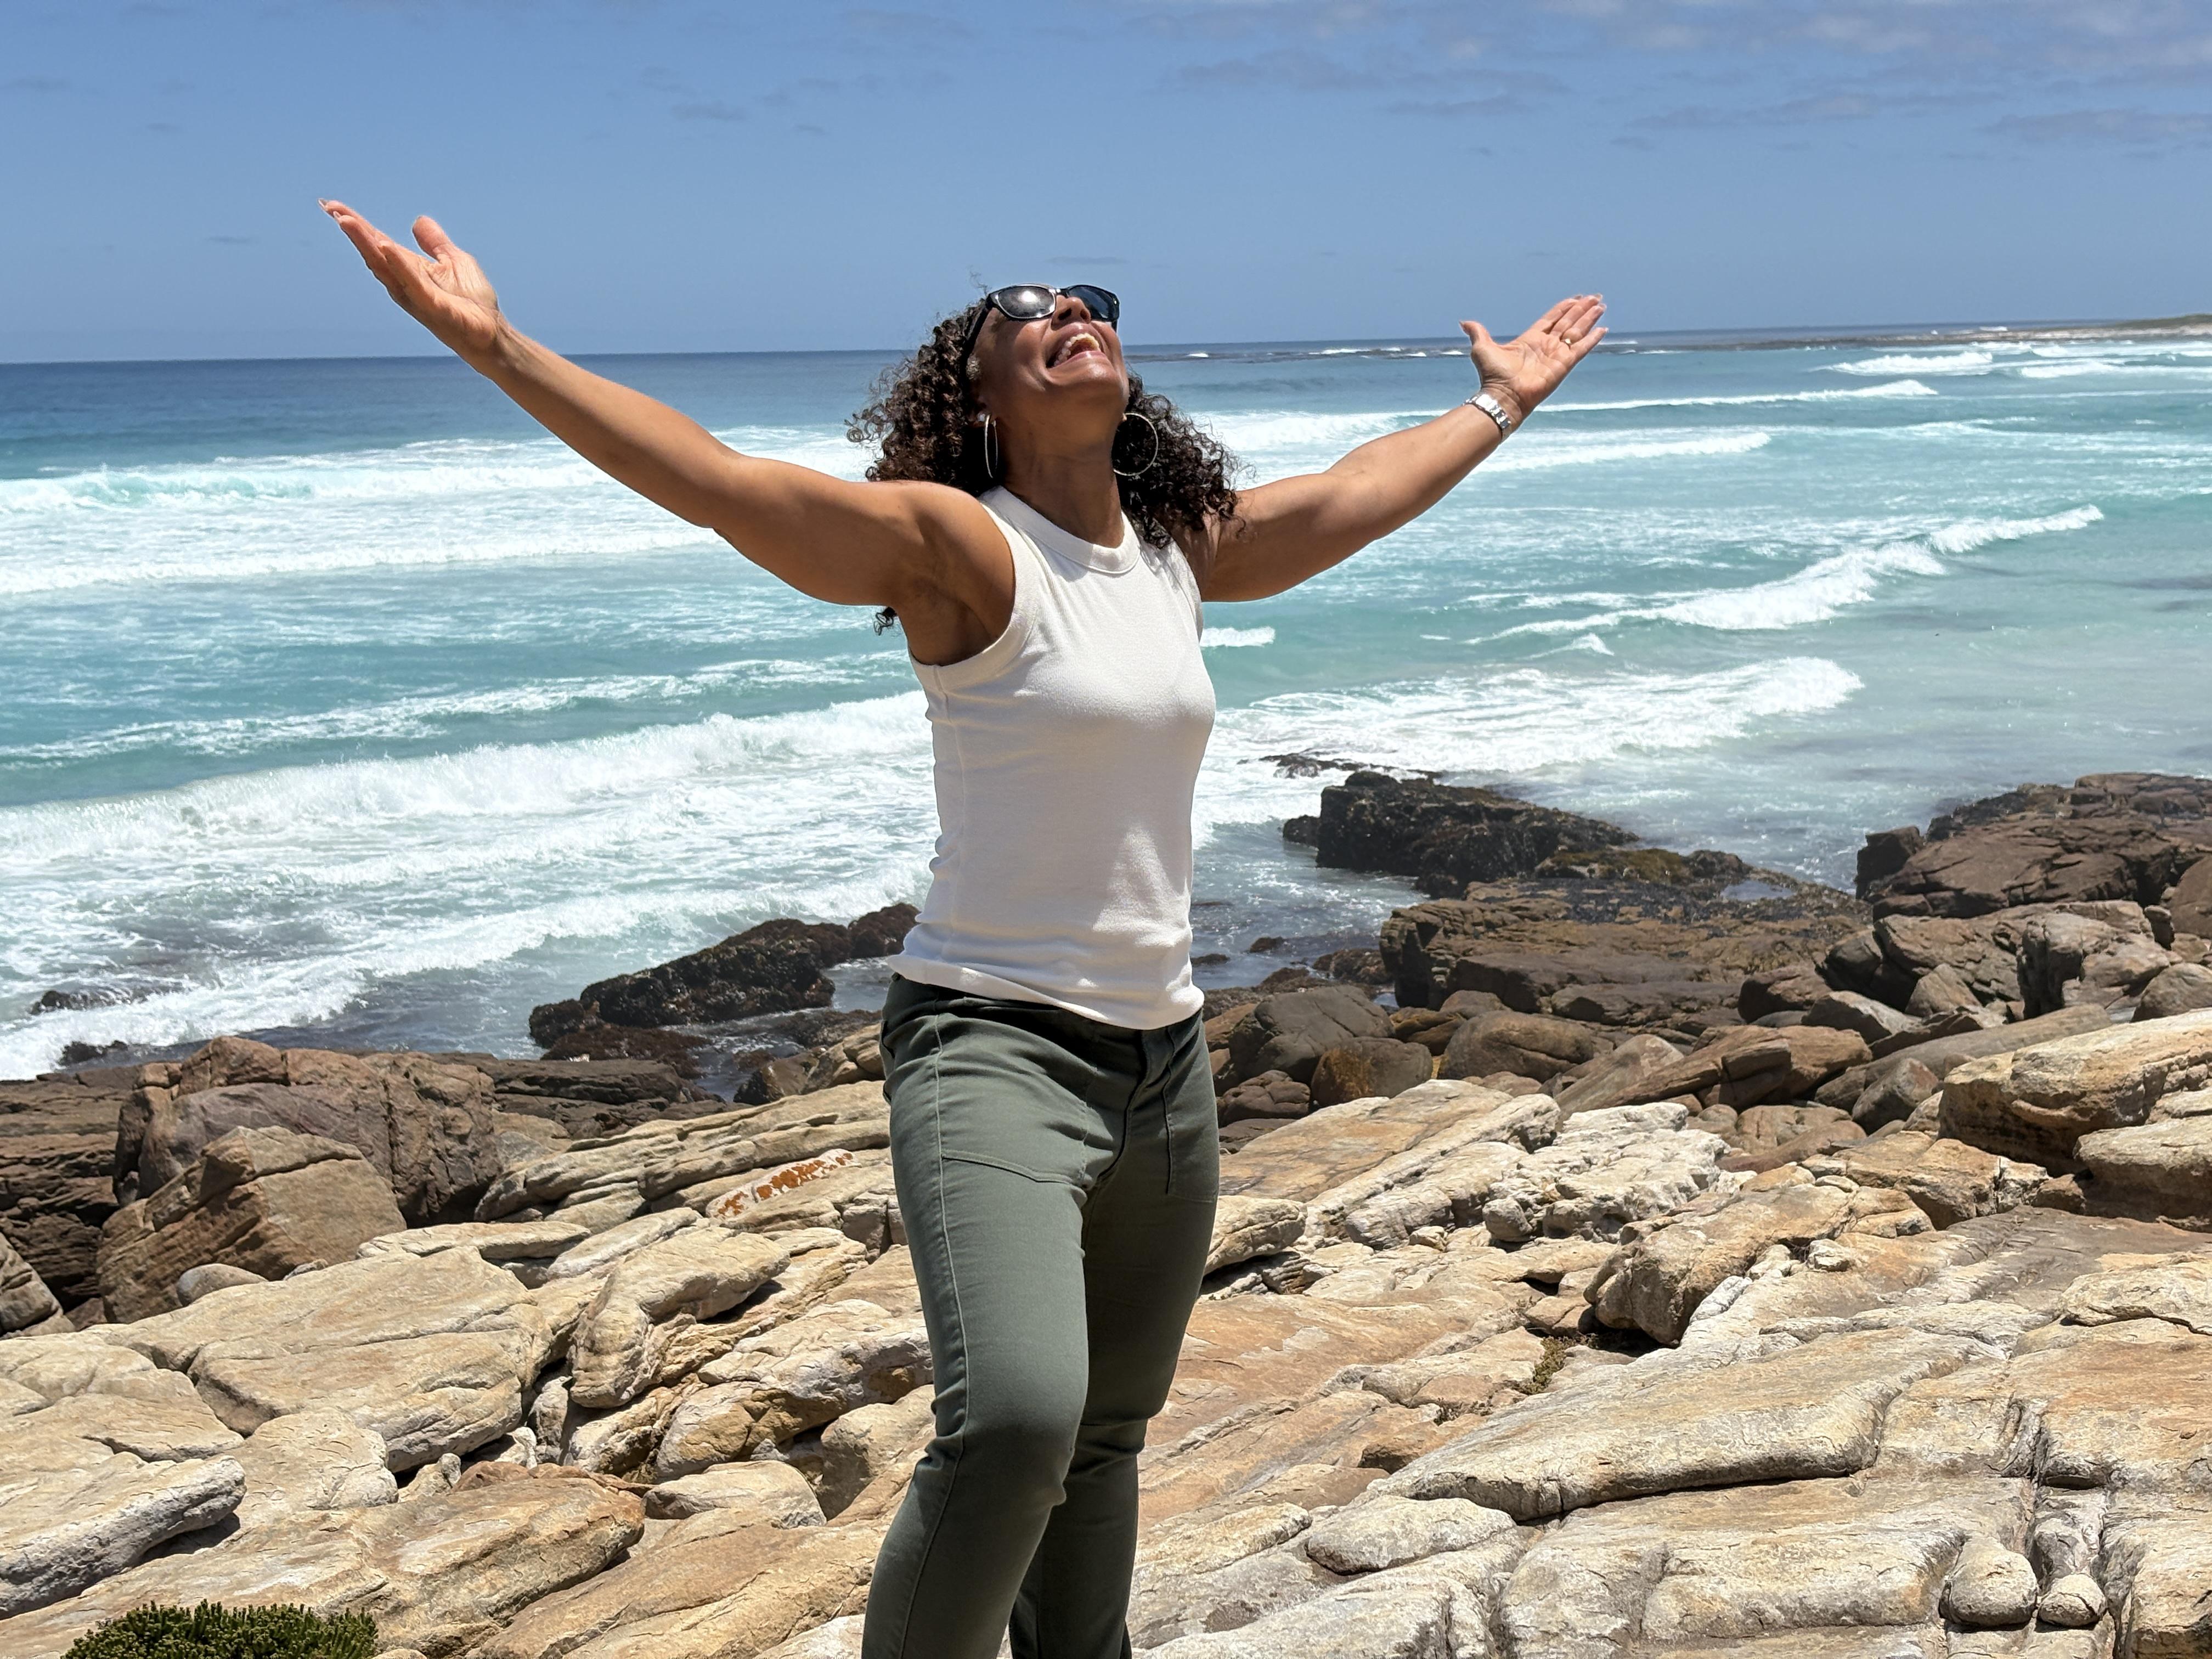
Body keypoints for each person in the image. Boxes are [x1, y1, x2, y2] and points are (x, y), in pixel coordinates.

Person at [322, 200, 1605, 1659]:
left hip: (1166, 1066)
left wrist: (1500, 400)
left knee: (1107, 1437)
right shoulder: (959, 547)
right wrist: (499, 350)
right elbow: (720, 483)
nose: (1073, 309)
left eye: (1093, 295)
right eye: (1027, 307)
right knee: (1014, 1420)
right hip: (993, 1043)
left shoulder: (1180, 554)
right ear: (980, 394)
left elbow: (1364, 486)